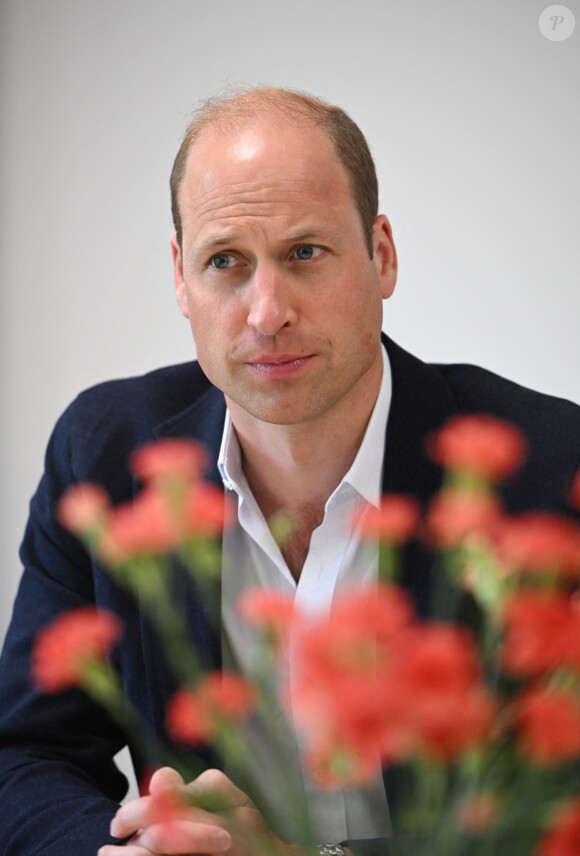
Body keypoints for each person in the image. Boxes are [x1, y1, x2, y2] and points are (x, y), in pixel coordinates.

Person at [0, 87, 579, 856]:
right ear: (180, 276)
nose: (266, 311)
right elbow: (25, 757)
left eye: (305, 253)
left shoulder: (550, 467)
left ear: (382, 255)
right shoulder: (101, 454)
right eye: (225, 263)